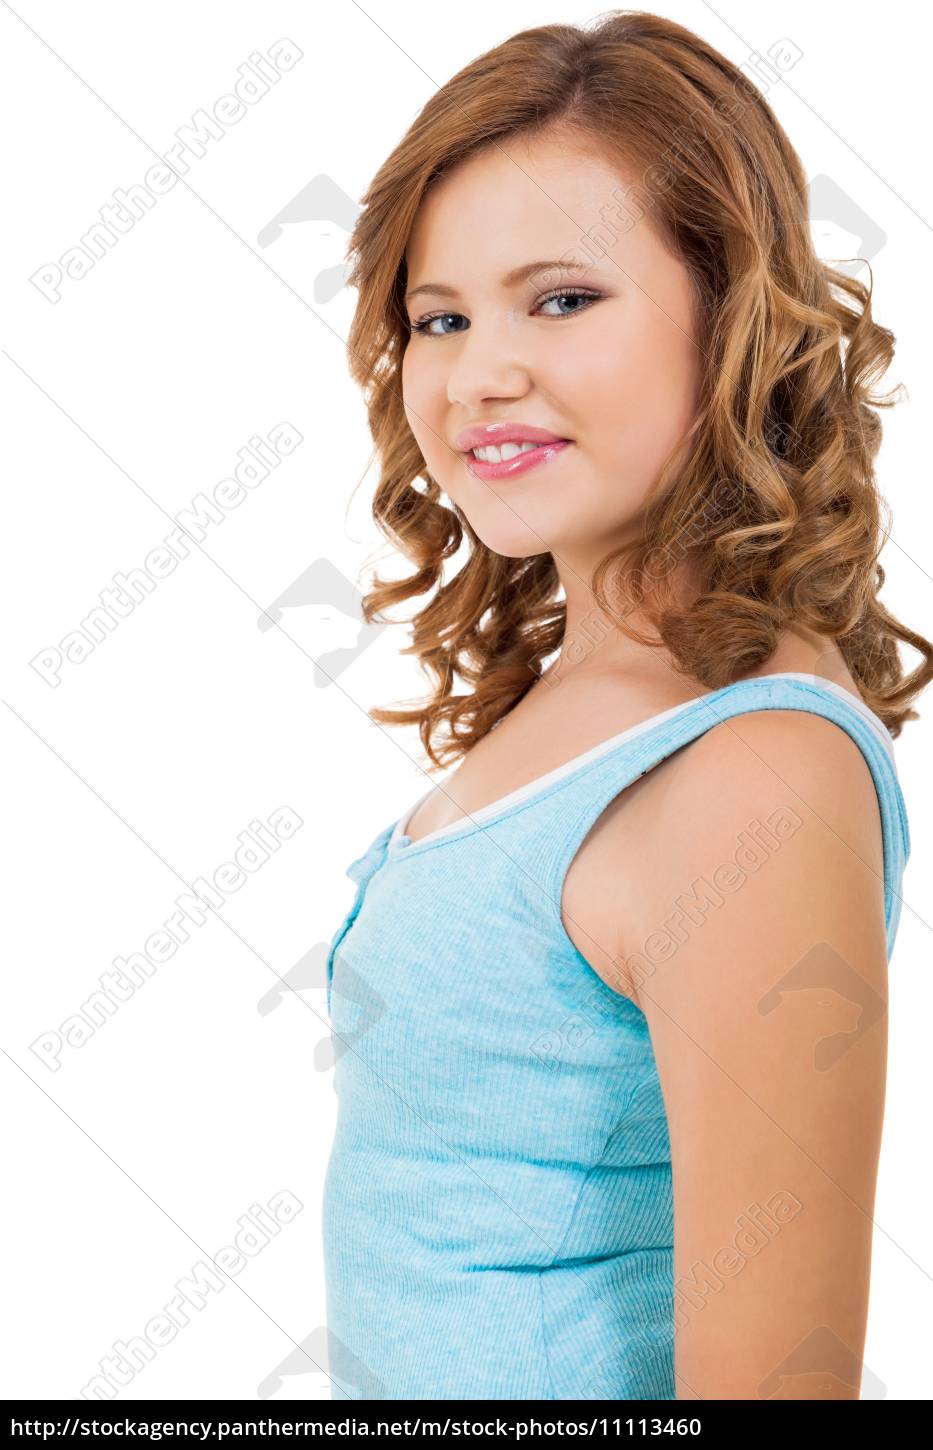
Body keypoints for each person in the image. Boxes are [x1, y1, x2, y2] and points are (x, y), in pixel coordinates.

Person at [322, 10, 931, 1400]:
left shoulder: (752, 775)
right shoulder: (581, 690)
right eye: (439, 317)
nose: (478, 373)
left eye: (561, 299)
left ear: (731, 316)